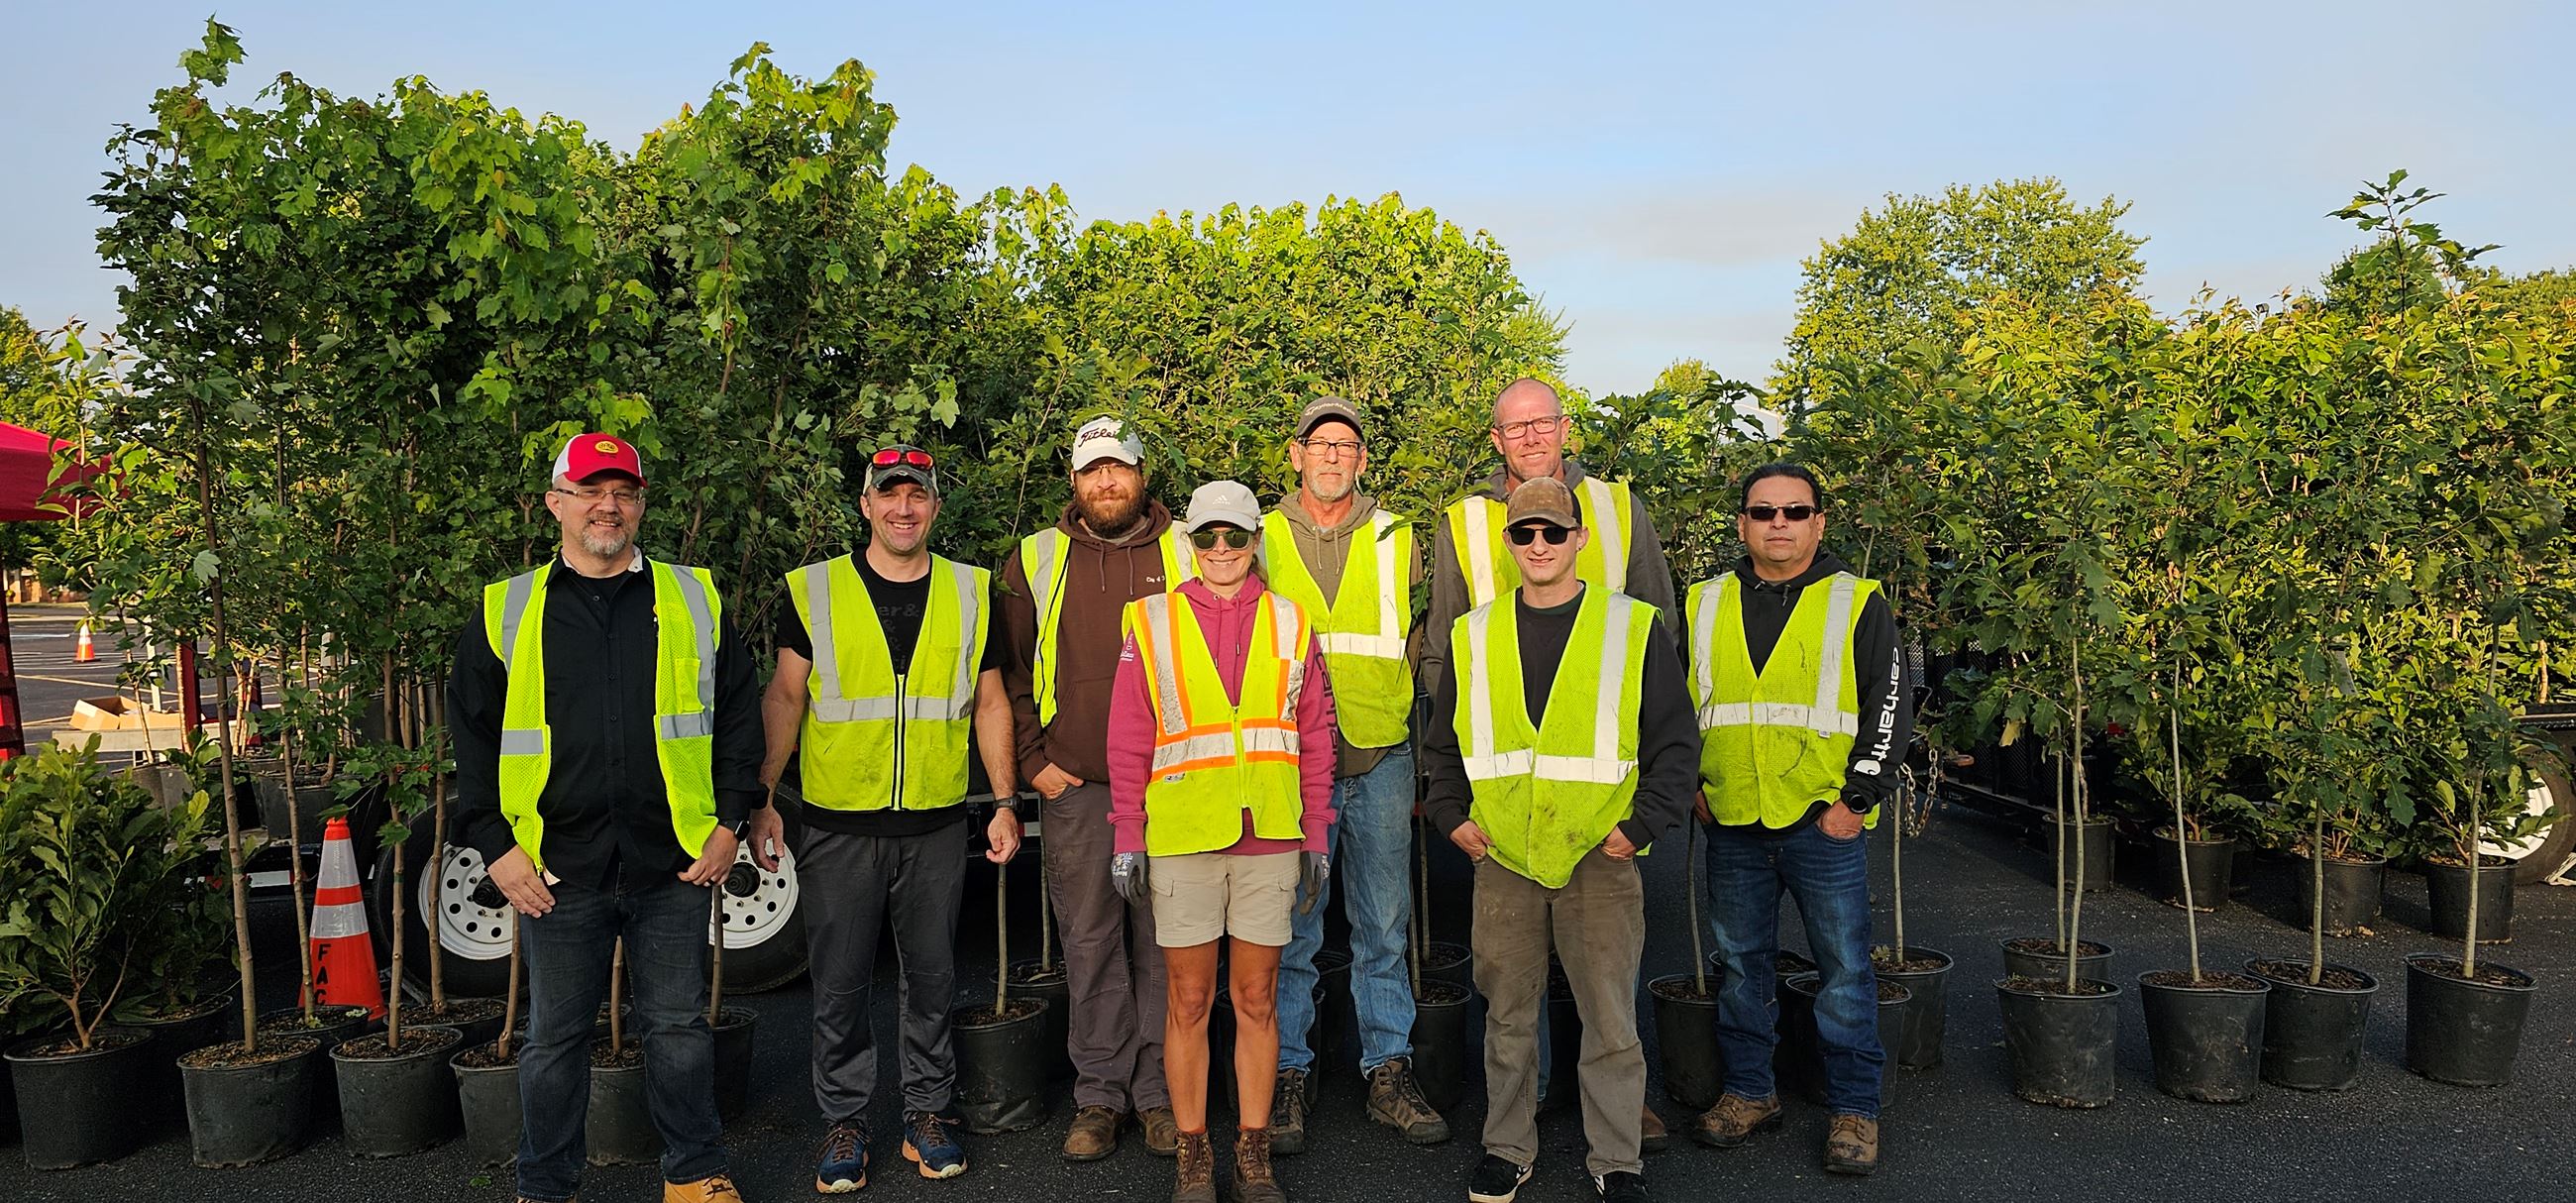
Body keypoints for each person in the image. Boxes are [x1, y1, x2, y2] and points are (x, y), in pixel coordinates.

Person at [451, 433, 762, 1203]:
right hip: (556, 867)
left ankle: (694, 1175)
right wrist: (496, 847)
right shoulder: (508, 608)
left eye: (623, 491)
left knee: (681, 1032)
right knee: (553, 1041)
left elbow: (737, 720)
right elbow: (473, 738)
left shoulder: (694, 597)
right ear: (555, 503)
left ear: (641, 505)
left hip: (673, 861)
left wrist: (731, 822)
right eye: (590, 490)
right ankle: (544, 1185)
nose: (607, 505)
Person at [749, 444, 1024, 1192]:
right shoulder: (814, 591)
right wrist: (765, 796)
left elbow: (992, 702)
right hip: (838, 825)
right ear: (865, 505)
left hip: (935, 825)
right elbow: (785, 695)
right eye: (889, 495)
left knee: (933, 980)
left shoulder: (972, 592)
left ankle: (926, 1116)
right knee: (837, 985)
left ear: (935, 507)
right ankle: (845, 1123)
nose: (904, 508)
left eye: (918, 496)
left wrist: (1003, 802)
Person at [1423, 478, 1698, 1203]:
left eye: (1553, 532)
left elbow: (1675, 741)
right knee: (1508, 1014)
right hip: (1505, 856)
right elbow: (1443, 744)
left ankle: (1617, 1159)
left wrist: (1639, 826)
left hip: (1597, 856)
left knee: (1609, 1016)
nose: (1539, 545)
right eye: (1524, 534)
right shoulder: (1472, 633)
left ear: (1579, 538)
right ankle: (1507, 1148)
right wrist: (1451, 814)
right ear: (1509, 544)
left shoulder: (1632, 627)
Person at [1107, 479, 1338, 1203]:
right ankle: (1193, 1152)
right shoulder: (1149, 622)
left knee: (1259, 997)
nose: (1221, 550)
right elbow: (1129, 737)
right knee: (1188, 1000)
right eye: (1207, 536)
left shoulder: (1292, 622)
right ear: (1189, 543)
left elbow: (1316, 734)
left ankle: (1254, 1150)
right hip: (1183, 835)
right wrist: (1128, 833)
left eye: (1235, 537)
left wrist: (1318, 832)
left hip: (1269, 836)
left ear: (1254, 543)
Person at [1684, 463, 1911, 1177]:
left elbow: (1890, 705)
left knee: (1844, 971)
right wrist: (1690, 781)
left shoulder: (1856, 601)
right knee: (1742, 968)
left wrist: (1857, 802)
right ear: (1743, 523)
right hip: (1734, 822)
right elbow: (1676, 704)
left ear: (1818, 522)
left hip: (1822, 823)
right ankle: (1752, 1092)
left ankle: (1854, 1109)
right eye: (1762, 511)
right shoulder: (1703, 602)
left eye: (1794, 510)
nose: (1777, 523)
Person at [998, 415, 1199, 1160]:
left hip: (1173, 785)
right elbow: (1012, 673)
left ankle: (1156, 1096)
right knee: (1088, 942)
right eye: (1091, 471)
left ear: (1142, 474)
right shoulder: (1036, 560)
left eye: (1117, 468)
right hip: (1076, 785)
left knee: (1161, 943)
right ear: (1073, 481)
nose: (1105, 482)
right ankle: (1098, 1098)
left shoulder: (1186, 548)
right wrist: (1032, 762)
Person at [1257, 397, 1448, 1150]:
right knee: (1293, 929)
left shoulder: (1397, 536)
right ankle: (1288, 1075)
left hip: (1380, 759)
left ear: (1362, 459)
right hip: (1291, 764)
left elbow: (1413, 641)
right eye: (1320, 443)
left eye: (1348, 445)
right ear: (1296, 454)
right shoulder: (1261, 535)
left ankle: (1388, 1071)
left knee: (1383, 925)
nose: (1333, 456)